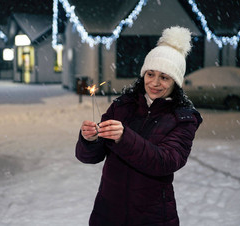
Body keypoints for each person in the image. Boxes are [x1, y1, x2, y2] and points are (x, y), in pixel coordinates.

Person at [75, 26, 202, 226]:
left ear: (175, 82)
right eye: (150, 74)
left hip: (151, 216)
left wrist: (124, 138)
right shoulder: (122, 106)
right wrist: (90, 140)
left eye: (164, 77)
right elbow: (89, 157)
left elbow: (165, 161)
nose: (155, 83)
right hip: (108, 212)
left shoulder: (183, 119)